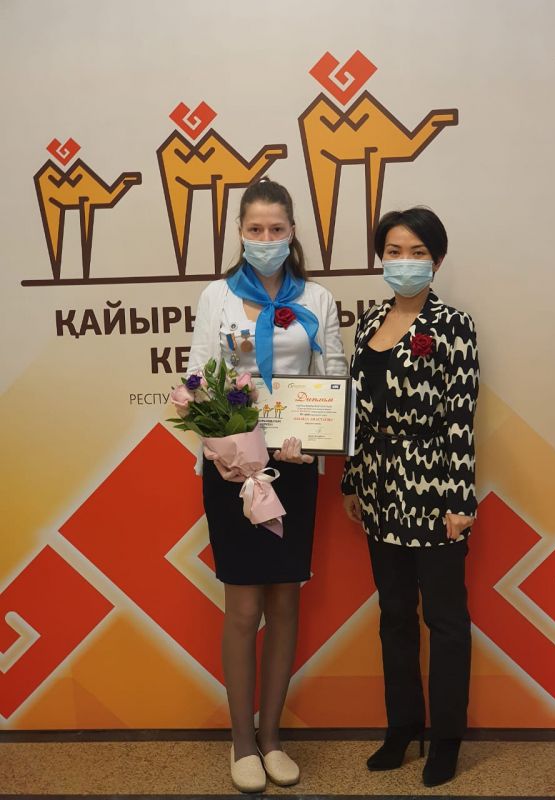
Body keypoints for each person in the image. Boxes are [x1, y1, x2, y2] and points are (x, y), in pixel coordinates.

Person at [188, 178, 347, 793]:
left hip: (295, 469)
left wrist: (315, 438)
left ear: (292, 233)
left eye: (276, 229)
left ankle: (273, 737)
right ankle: (241, 742)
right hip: (233, 471)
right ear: (240, 233)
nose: (265, 238)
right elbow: (199, 380)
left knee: (284, 603)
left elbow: (332, 377)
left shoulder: (318, 298)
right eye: (255, 229)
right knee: (243, 607)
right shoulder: (218, 296)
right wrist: (233, 450)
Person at [341, 207, 479, 788]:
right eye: (394, 251)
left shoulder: (454, 326)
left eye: (417, 252)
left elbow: (460, 419)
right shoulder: (369, 320)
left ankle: (446, 739)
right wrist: (352, 480)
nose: (404, 262)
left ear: (437, 260)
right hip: (378, 490)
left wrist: (460, 501)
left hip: (434, 489)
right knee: (394, 615)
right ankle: (403, 728)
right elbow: (355, 409)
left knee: (444, 620)